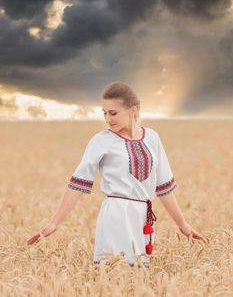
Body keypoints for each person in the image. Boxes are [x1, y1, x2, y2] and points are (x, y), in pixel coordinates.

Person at [27, 81, 208, 268]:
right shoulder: (101, 141)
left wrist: (183, 225)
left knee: (139, 279)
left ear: (133, 110)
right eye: (104, 113)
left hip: (144, 217)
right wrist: (54, 223)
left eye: (113, 113)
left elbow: (164, 188)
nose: (107, 119)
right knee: (113, 274)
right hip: (116, 215)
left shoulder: (152, 138)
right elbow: (77, 185)